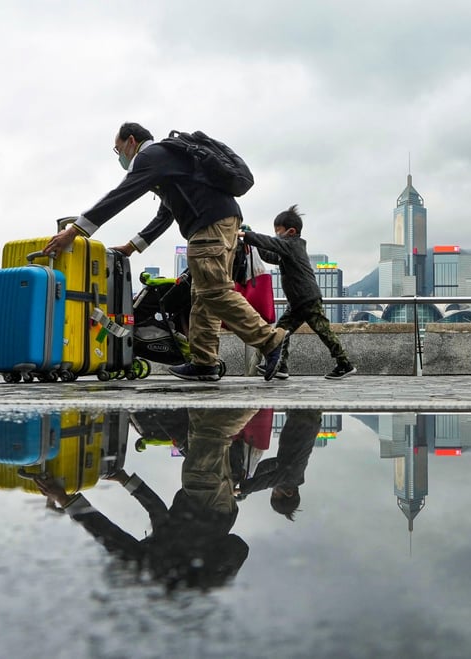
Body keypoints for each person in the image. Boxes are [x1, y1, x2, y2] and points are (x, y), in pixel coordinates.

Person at [42, 122, 289, 382]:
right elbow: (166, 213)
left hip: (209, 226)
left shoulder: (151, 156)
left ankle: (271, 341)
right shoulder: (166, 161)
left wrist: (75, 230)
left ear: (131, 141)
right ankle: (205, 362)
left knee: (215, 292)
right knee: (202, 296)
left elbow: (121, 195)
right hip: (219, 222)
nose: (121, 157)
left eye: (119, 150)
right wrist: (132, 246)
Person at [33, 407, 259, 592]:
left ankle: (216, 368)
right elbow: (109, 535)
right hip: (202, 501)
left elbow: (157, 511)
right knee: (211, 433)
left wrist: (126, 481)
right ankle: (260, 390)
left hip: (217, 508)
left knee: (199, 425)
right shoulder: (147, 571)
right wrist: (65, 499)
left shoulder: (169, 565)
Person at [239, 205, 356, 380]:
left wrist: (248, 235)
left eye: (278, 232)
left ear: (291, 231)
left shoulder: (293, 246)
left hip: (307, 299)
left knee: (324, 332)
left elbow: (271, 243)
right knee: (280, 332)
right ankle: (281, 366)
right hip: (297, 302)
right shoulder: (287, 249)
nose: (276, 236)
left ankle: (345, 364)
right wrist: (251, 241)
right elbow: (270, 255)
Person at [235, 409, 322, 521]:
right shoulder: (291, 477)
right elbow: (269, 480)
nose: (273, 488)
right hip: (305, 417)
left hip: (302, 419)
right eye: (276, 493)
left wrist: (248, 476)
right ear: (289, 493)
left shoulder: (289, 470)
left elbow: (266, 467)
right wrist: (244, 489)